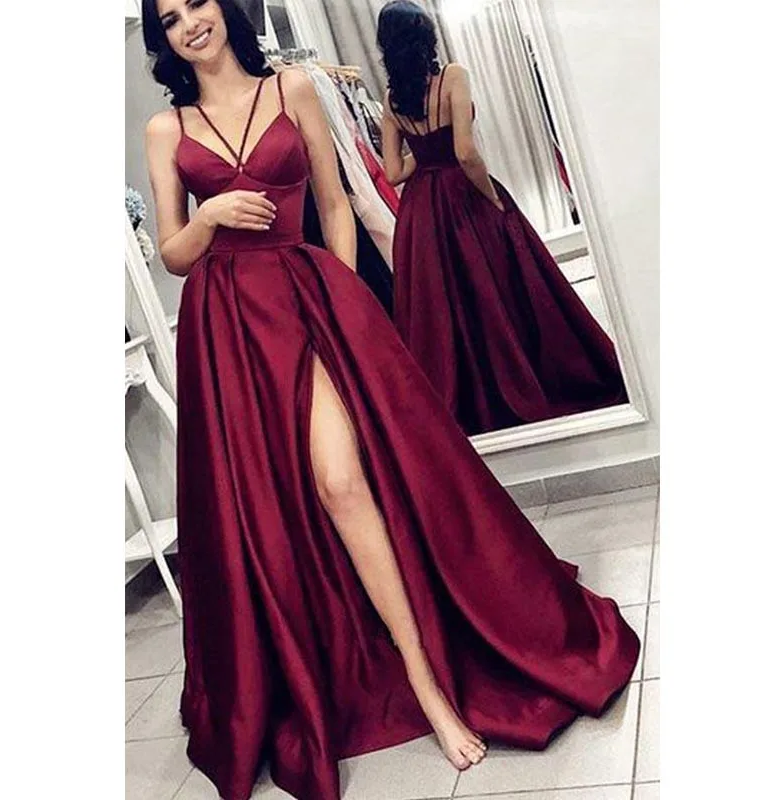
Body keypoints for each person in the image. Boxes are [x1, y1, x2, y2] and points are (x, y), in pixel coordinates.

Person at [141, 2, 639, 799]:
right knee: (270, 507)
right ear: (162, 39)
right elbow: (171, 251)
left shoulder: (294, 87)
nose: (188, 23)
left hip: (306, 296)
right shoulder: (167, 128)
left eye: (197, 2)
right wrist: (212, 219)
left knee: (344, 483)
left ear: (225, 8)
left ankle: (427, 681)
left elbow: (337, 203)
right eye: (168, 18)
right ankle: (339, 653)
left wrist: (339, 302)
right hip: (227, 323)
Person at [378, 0, 628, 437]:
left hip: (422, 213)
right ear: (426, 35)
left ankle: (470, 399)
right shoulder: (454, 76)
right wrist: (492, 198)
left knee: (448, 302)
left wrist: (424, 152)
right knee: (501, 286)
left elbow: (394, 172)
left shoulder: (391, 99)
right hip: (462, 195)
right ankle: (523, 376)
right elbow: (466, 152)